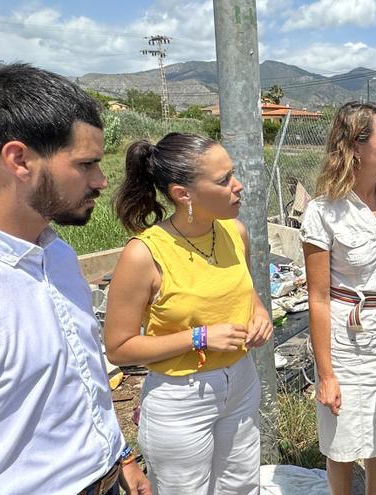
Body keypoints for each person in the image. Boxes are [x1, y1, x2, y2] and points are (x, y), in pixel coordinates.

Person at [0, 64, 149, 494]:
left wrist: (118, 455)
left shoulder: (57, 254)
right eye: (86, 164)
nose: (102, 181)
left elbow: (79, 375)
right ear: (19, 160)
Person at [103, 132, 272, 494]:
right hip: (181, 398)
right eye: (224, 180)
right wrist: (200, 337)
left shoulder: (234, 232)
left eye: (233, 174)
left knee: (242, 486)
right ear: (183, 194)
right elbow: (119, 347)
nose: (238, 186)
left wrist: (260, 314)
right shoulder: (144, 254)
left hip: (241, 382)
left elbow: (245, 292)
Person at [300, 101, 376, 495]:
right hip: (349, 345)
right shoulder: (323, 213)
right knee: (343, 441)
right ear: (356, 147)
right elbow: (318, 299)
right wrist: (326, 374)